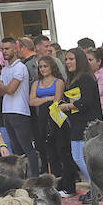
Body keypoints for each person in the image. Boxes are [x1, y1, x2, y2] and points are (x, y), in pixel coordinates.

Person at [61, 47, 102, 201]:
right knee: (79, 157)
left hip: (87, 124)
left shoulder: (85, 77)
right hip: (78, 122)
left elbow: (86, 102)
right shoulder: (74, 78)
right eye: (66, 59)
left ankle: (97, 188)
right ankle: (95, 188)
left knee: (80, 157)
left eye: (71, 59)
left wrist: (67, 106)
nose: (68, 62)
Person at [29, 54, 69, 191]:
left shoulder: (59, 82)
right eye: (40, 67)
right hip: (41, 119)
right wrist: (47, 99)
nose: (42, 69)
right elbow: (31, 101)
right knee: (45, 150)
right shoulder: (36, 83)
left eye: (45, 66)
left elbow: (57, 101)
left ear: (52, 67)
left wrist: (46, 99)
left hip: (56, 118)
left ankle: (62, 180)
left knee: (59, 149)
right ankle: (51, 180)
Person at [0, 37, 38, 171]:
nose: (4, 52)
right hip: (7, 111)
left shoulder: (20, 67)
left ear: (15, 49)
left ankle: (34, 177)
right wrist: (4, 88)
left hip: (20, 111)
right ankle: (23, 177)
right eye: (2, 49)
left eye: (7, 48)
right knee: (16, 149)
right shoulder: (4, 69)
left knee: (27, 147)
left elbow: (10, 89)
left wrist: (3, 87)